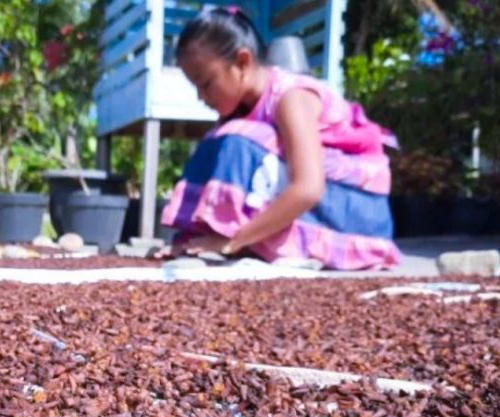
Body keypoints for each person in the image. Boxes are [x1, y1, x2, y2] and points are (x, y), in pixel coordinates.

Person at [156, 6, 400, 270]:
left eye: (206, 84)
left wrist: (233, 241)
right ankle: (238, 238)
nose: (201, 97)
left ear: (243, 62)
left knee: (236, 142)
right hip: (326, 202)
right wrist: (193, 241)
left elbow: (309, 188)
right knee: (218, 144)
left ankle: (254, 239)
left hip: (357, 213)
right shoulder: (241, 111)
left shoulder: (291, 98)